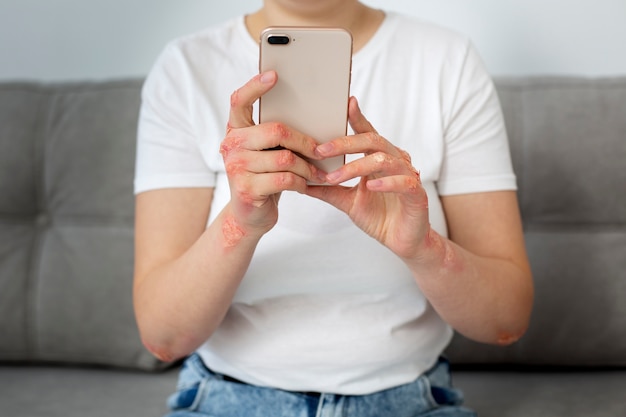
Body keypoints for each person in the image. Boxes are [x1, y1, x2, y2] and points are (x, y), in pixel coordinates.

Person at [133, 1, 534, 415]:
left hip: (410, 402)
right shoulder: (185, 67)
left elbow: (505, 321)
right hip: (227, 400)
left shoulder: (448, 59)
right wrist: (240, 223)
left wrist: (424, 247)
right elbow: (164, 337)